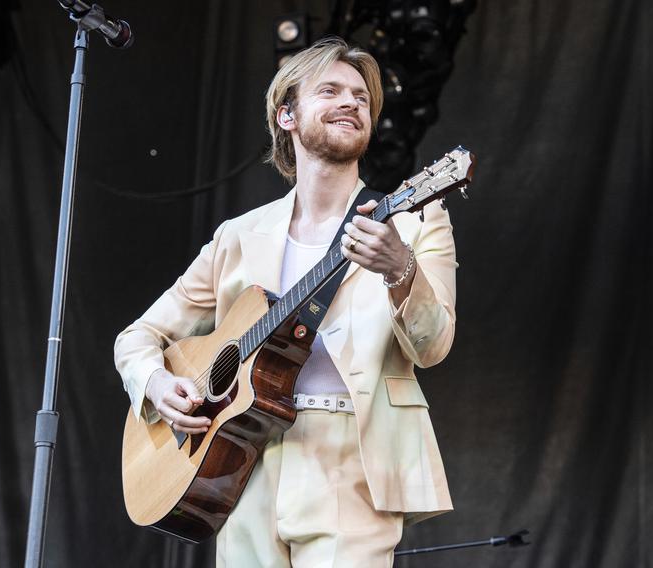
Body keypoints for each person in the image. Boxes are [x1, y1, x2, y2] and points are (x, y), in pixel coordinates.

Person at [114, 36, 457, 567]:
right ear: (288, 115)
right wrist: (157, 384)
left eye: (361, 97)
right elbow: (138, 337)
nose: (351, 102)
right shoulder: (239, 236)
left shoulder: (413, 223)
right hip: (239, 461)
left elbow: (433, 347)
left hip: (353, 462)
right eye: (331, 91)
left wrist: (400, 270)